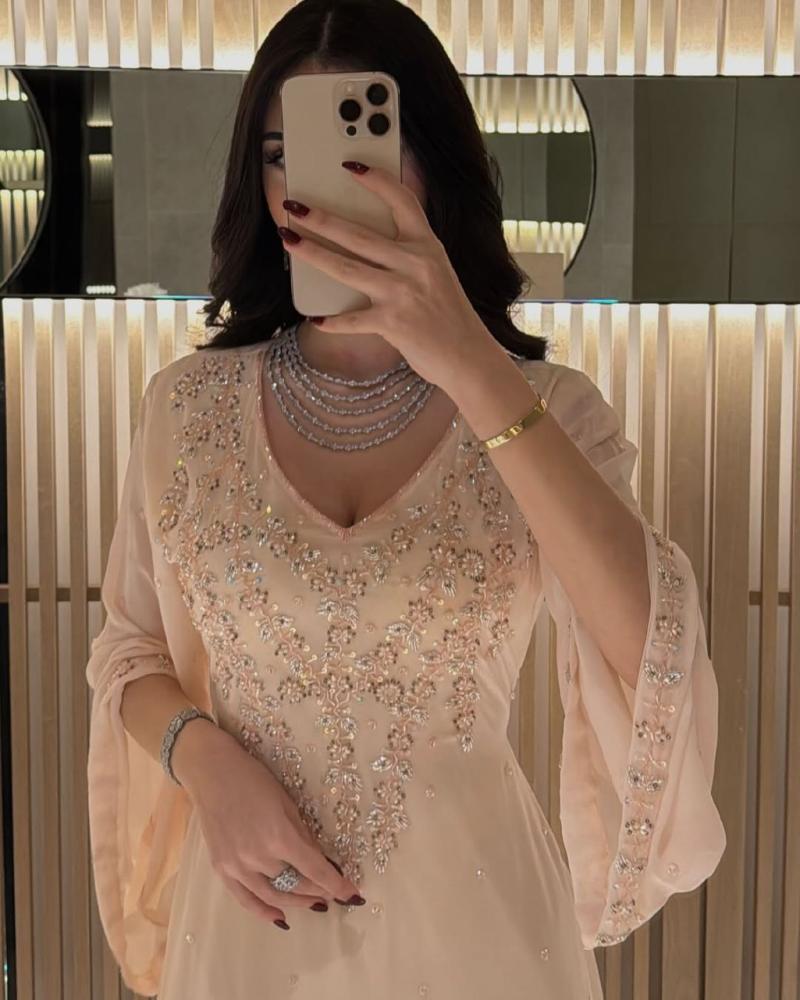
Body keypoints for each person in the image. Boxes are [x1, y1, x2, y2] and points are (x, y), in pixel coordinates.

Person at [85, 1, 727, 997]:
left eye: (367, 153)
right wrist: (201, 758)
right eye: (283, 154)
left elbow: (650, 653)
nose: (320, 190)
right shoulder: (186, 407)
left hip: (485, 931)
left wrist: (468, 361)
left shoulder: (547, 409)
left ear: (433, 166)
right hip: (250, 930)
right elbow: (129, 653)